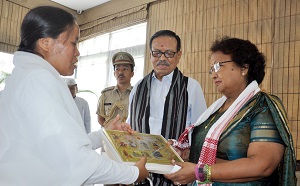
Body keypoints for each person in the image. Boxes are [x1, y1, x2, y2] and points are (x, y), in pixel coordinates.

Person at [0, 6, 148, 186]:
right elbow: (77, 162)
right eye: (73, 42)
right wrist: (133, 173)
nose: (77, 52)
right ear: (46, 43)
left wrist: (104, 134)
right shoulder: (39, 81)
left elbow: (63, 145)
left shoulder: (25, 77)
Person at [164, 36, 296, 186]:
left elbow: (262, 165)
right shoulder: (215, 111)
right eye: (211, 69)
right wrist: (183, 154)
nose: (213, 74)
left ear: (244, 68)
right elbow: (206, 154)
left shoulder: (262, 106)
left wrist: (199, 172)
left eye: (219, 66)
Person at [126, 30, 207, 186]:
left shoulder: (191, 87)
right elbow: (130, 127)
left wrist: (186, 153)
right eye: (157, 53)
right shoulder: (138, 87)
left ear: (178, 55)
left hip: (175, 172)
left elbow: (199, 133)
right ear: (150, 55)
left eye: (169, 53)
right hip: (141, 171)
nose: (162, 58)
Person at [97, 52, 134, 127]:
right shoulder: (105, 95)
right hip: (109, 136)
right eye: (117, 69)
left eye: (125, 69)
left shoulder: (137, 94)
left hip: (130, 136)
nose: (120, 72)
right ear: (114, 73)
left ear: (132, 73)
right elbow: (100, 118)